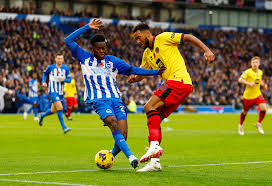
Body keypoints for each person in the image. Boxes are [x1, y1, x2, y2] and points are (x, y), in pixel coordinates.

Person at [64, 19, 165, 169]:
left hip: (116, 100)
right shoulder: (84, 57)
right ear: (93, 48)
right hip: (99, 100)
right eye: (99, 49)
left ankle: (109, 156)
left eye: (104, 48)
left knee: (123, 134)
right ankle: (131, 157)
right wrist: (87, 27)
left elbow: (132, 69)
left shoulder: (113, 61)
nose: (102, 51)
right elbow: (68, 40)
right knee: (112, 122)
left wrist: (155, 72)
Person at [129, 23, 215, 172]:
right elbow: (143, 73)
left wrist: (206, 50)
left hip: (178, 80)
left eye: (139, 37)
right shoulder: (146, 55)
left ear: (147, 33)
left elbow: (187, 37)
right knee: (155, 119)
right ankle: (155, 162)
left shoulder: (163, 38)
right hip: (178, 85)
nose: (138, 42)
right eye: (136, 40)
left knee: (149, 107)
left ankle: (154, 146)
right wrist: (135, 78)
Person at [39, 53, 72, 134]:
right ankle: (64, 128)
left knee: (53, 110)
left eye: (61, 58)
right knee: (60, 108)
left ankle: (42, 116)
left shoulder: (66, 68)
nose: (60, 60)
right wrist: (44, 82)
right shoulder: (50, 67)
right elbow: (45, 74)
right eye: (58, 58)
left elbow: (69, 80)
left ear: (63, 59)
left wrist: (63, 79)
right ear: (55, 59)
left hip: (61, 92)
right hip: (52, 91)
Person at [238, 56, 267, 135]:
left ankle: (259, 123)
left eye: (256, 62)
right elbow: (240, 80)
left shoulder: (260, 72)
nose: (255, 64)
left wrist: (264, 85)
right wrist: (248, 83)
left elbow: (259, 80)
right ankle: (240, 125)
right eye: (253, 62)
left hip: (258, 94)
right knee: (245, 112)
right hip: (248, 96)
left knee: (264, 108)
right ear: (251, 64)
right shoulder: (247, 72)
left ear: (259, 64)